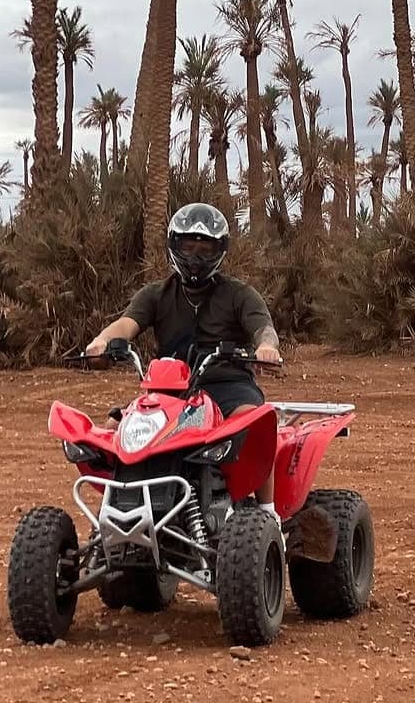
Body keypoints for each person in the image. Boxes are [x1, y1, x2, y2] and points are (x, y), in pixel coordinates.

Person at [85, 203, 282, 514]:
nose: (195, 257)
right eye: (188, 246)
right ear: (174, 246)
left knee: (254, 423)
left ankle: (269, 516)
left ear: (220, 251)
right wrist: (103, 341)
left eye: (205, 249)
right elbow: (126, 325)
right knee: (113, 428)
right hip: (169, 390)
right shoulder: (156, 294)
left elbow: (263, 328)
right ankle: (118, 510)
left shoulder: (239, 294)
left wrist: (266, 348)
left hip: (227, 384)